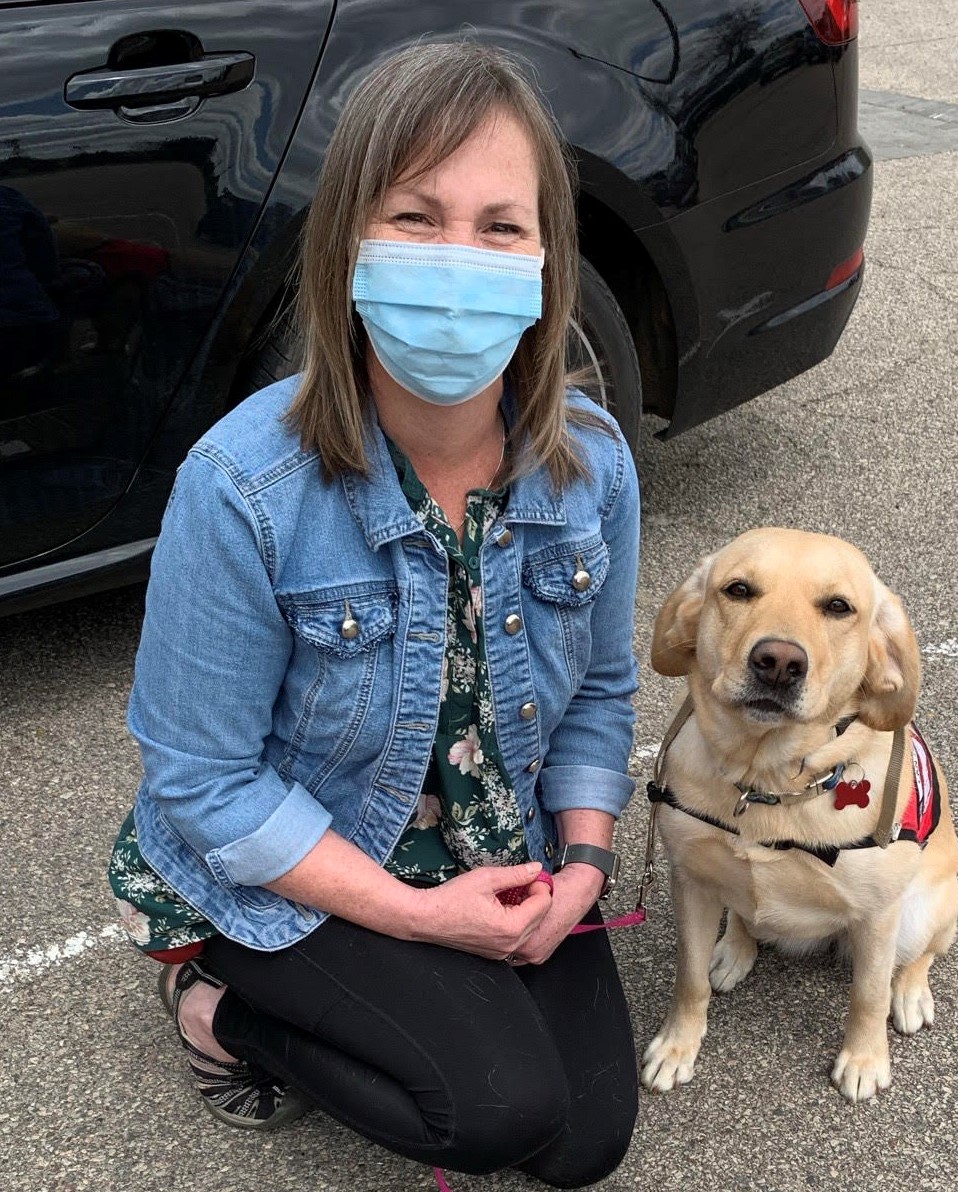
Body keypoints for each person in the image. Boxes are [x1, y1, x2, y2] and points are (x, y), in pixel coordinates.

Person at [108, 40, 641, 1189]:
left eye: (500, 226)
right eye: (413, 216)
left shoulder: (590, 465)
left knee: (585, 1141)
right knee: (495, 1112)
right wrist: (416, 916)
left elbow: (601, 690)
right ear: (345, 242)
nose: (458, 261)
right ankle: (213, 1004)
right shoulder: (242, 483)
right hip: (315, 849)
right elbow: (203, 779)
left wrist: (587, 866)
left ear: (548, 260)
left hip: (498, 837)